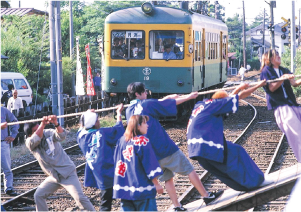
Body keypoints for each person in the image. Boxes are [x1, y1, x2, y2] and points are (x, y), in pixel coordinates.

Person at [126, 82, 223, 212]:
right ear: (137, 94)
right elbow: (168, 105)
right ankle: (206, 196)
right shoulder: (146, 104)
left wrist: (169, 97)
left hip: (151, 154)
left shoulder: (129, 111)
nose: (146, 93)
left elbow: (159, 103)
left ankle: (177, 207)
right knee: (189, 169)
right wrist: (189, 97)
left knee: (168, 179)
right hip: (164, 147)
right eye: (143, 91)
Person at [186, 81, 269, 191]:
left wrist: (239, 87)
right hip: (207, 146)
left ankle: (245, 186)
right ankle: (257, 181)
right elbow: (238, 97)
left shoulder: (203, 105)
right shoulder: (216, 105)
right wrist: (259, 85)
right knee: (237, 153)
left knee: (221, 169)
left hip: (195, 149)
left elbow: (228, 99)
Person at [24, 115, 96, 212]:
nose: (40, 131)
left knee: (80, 198)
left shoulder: (48, 133)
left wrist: (56, 124)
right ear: (29, 135)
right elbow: (33, 140)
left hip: (67, 173)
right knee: (38, 195)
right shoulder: (30, 142)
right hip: (54, 176)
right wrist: (42, 125)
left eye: (39, 128)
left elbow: (61, 136)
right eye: (35, 130)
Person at [77, 104, 125, 212]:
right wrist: (119, 113)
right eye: (97, 120)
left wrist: (87, 113)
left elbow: (81, 127)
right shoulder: (102, 133)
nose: (99, 122)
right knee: (123, 198)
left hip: (98, 173)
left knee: (105, 201)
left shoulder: (81, 137)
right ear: (94, 123)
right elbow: (118, 130)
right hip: (110, 171)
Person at [113, 115, 163, 212]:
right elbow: (150, 164)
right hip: (142, 188)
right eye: (144, 123)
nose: (147, 125)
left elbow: (116, 160)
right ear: (138, 126)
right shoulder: (142, 141)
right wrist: (156, 184)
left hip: (125, 190)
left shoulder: (122, 141)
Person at [260, 49, 301, 162]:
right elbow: (272, 88)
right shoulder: (266, 71)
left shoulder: (284, 70)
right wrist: (282, 78)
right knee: (296, 133)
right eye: (276, 55)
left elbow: (294, 83)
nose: (279, 56)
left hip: (292, 104)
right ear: (270, 59)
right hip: (281, 107)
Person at [0, 107, 19, 196]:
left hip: (3, 143)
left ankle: (9, 188)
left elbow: (14, 121)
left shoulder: (4, 111)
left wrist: (13, 135)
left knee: (7, 168)